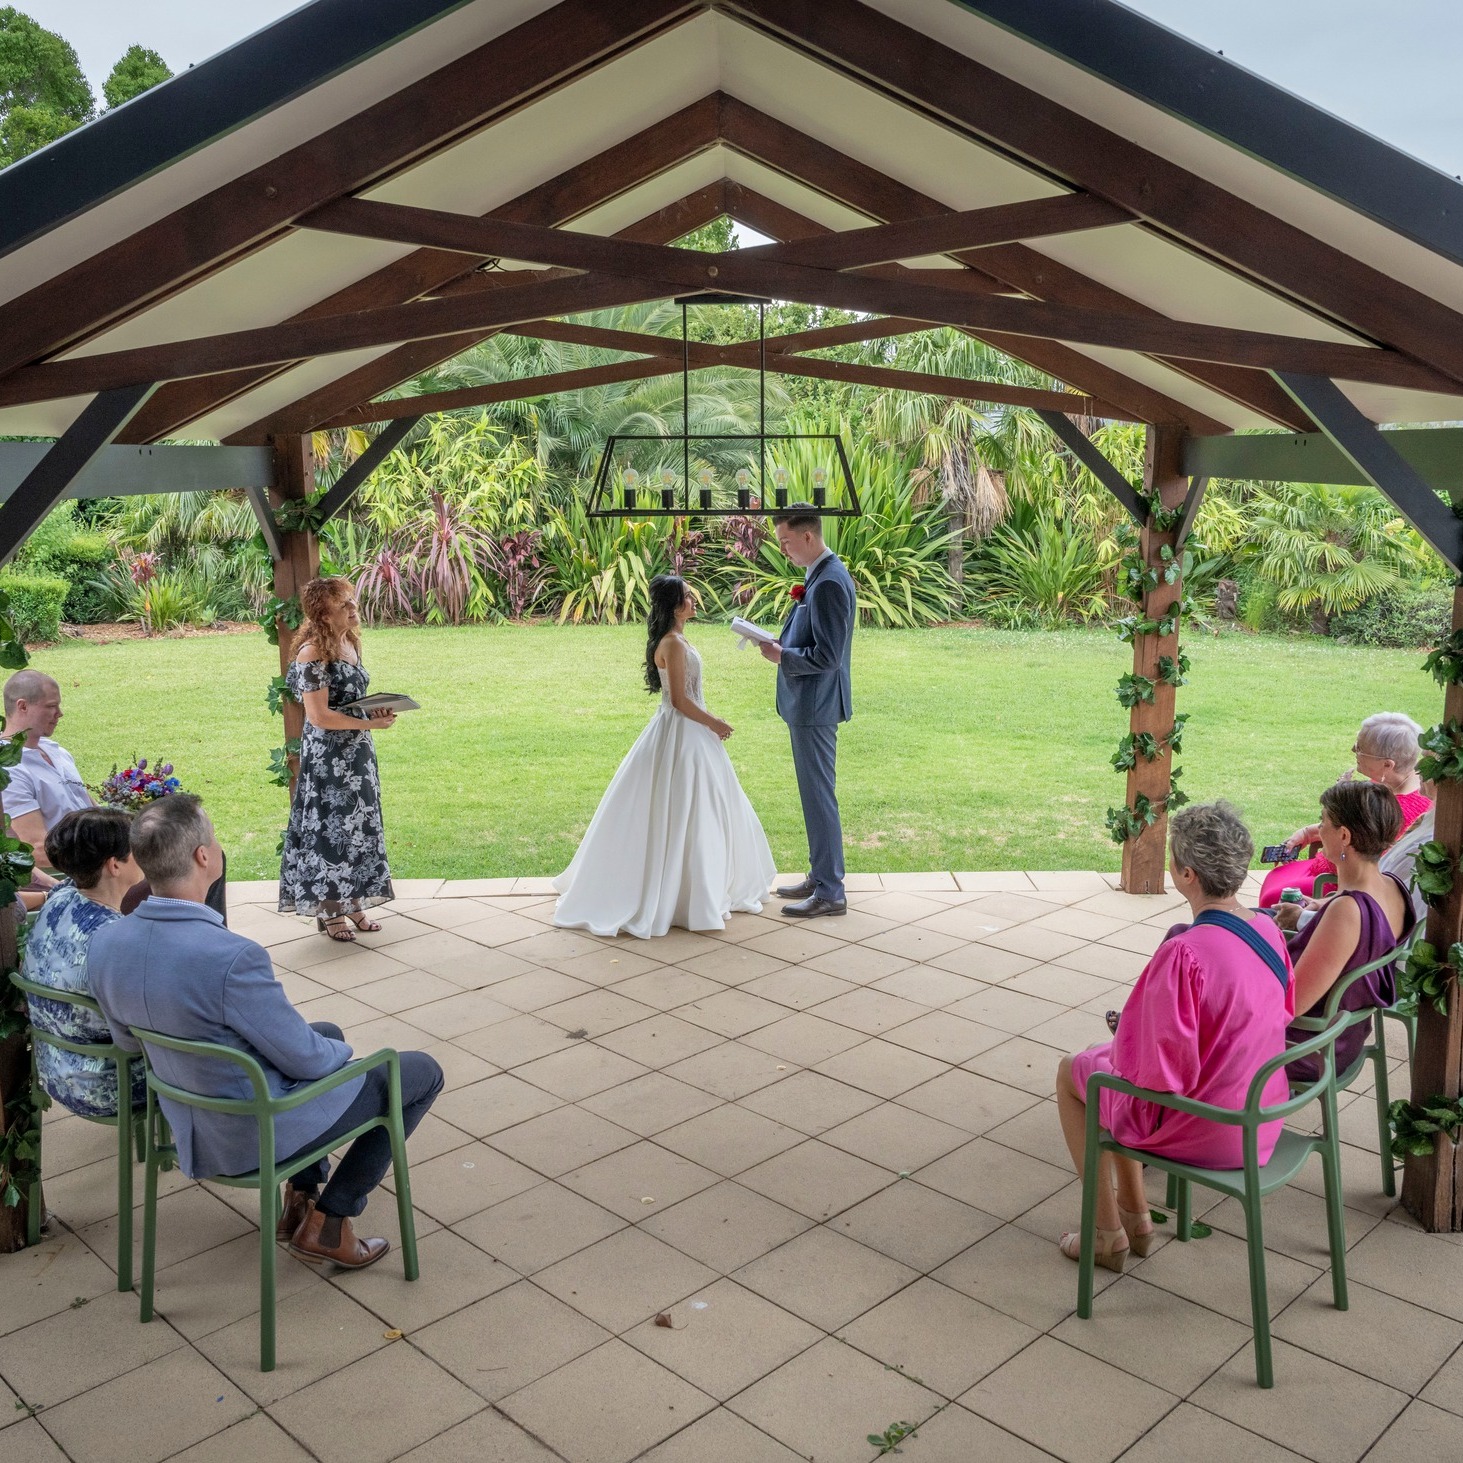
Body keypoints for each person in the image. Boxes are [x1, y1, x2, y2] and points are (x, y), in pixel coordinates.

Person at [89, 795, 443, 1268]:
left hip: (193, 1121)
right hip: (251, 1132)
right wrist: (342, 1058)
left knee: (325, 1031)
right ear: (203, 856)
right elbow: (308, 1060)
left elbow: (130, 1042)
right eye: (213, 837)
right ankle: (331, 1223)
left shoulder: (107, 942)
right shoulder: (231, 957)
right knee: (416, 1071)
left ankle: (300, 1202)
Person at [1056, 802, 1294, 1273]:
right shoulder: (1267, 929)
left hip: (1212, 1128)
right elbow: (1279, 1012)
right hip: (1260, 1117)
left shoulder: (1186, 953)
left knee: (1076, 1073)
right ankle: (1135, 1215)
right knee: (1100, 1064)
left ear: (1186, 875)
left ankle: (1105, 1233)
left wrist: (1127, 1033)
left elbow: (1155, 1073)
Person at [553, 574, 776, 939]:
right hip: (682, 733)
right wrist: (714, 723)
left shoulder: (679, 639)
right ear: (674, 606)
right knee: (684, 807)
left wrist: (708, 724)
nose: (694, 601)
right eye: (687, 597)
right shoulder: (671, 644)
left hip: (692, 733)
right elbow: (679, 700)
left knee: (708, 806)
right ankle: (683, 896)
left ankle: (702, 888)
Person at [1, 668, 228, 920]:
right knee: (195, 862)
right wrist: (128, 857)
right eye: (51, 706)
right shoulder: (10, 769)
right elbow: (36, 848)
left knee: (207, 850)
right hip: (95, 875)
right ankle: (198, 936)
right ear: (22, 706)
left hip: (111, 854)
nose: (60, 713)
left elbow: (93, 809)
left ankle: (209, 934)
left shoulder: (56, 751)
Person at [278, 577, 396, 942]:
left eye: (351, 600)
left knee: (359, 828)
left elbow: (348, 701)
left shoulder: (350, 641)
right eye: (343, 604)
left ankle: (355, 903)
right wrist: (368, 723)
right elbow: (319, 716)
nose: (352, 607)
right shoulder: (311, 653)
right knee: (333, 832)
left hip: (358, 755)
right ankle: (331, 911)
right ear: (324, 614)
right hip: (328, 759)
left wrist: (374, 713)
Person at [757, 504, 856, 918]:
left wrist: (782, 656)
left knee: (819, 797)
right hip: (808, 704)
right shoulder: (819, 574)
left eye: (785, 541)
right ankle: (820, 875)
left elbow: (828, 656)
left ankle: (831, 891)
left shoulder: (830, 581)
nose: (783, 549)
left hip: (816, 705)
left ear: (808, 536)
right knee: (814, 795)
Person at [1283, 781, 1414, 1083]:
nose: (1319, 829)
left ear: (1344, 836)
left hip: (1308, 1048)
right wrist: (1324, 905)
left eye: (1323, 822)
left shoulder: (1347, 912)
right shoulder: (1392, 886)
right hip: (1345, 1035)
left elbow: (1293, 1003)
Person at [20, 808, 145, 1118]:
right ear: (114, 865)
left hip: (54, 1070)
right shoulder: (115, 938)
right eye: (138, 849)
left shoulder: (60, 897)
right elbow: (144, 1030)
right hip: (106, 1086)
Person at [1260, 712, 1430, 907]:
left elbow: (1369, 867)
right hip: (1328, 865)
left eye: (1360, 749)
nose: (1353, 750)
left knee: (1274, 896)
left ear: (1387, 764)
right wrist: (1309, 833)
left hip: (1339, 884)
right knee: (1275, 879)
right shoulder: (1386, 783)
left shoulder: (1404, 810)